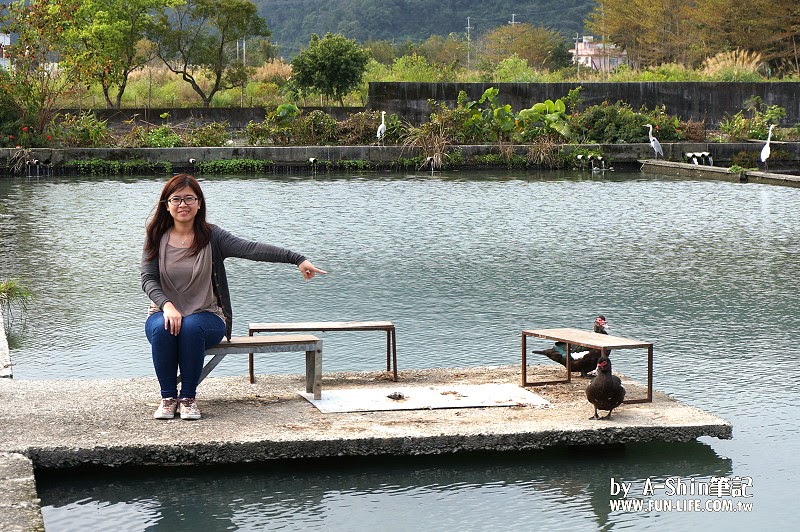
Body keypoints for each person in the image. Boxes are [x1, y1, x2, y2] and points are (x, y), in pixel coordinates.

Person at [141, 174, 326, 420]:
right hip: (164, 312)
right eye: (176, 199)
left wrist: (296, 258)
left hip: (208, 316)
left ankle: (187, 398)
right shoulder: (156, 237)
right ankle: (167, 398)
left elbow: (252, 249)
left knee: (191, 328)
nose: (183, 204)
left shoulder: (213, 236)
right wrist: (167, 306)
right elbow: (148, 280)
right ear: (167, 204)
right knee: (164, 328)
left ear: (199, 204)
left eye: (189, 198)